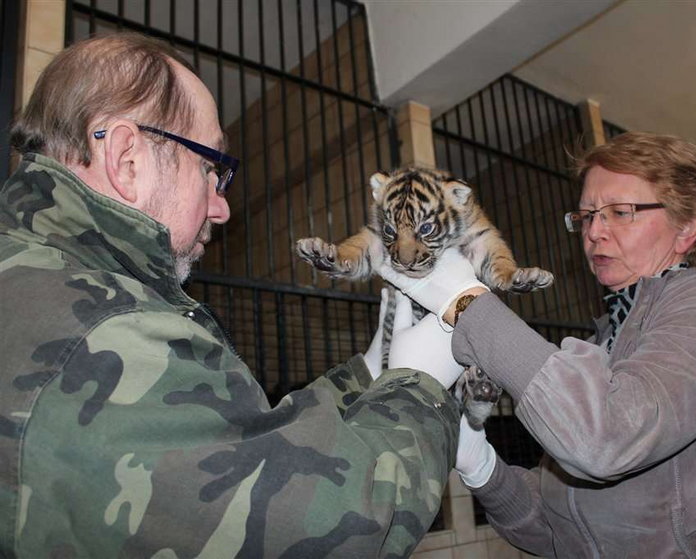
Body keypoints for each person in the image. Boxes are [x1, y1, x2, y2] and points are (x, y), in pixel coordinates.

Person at [0, 32, 466, 558]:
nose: (222, 208)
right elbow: (337, 521)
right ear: (128, 159)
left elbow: (244, 445)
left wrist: (369, 373)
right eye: (211, 168)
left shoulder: (38, 276)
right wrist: (421, 385)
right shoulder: (105, 331)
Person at [380, 132, 696, 557]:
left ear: (687, 227)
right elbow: (556, 532)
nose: (594, 232)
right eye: (587, 216)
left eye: (621, 212)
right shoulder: (606, 341)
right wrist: (480, 465)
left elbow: (605, 440)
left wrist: (466, 301)